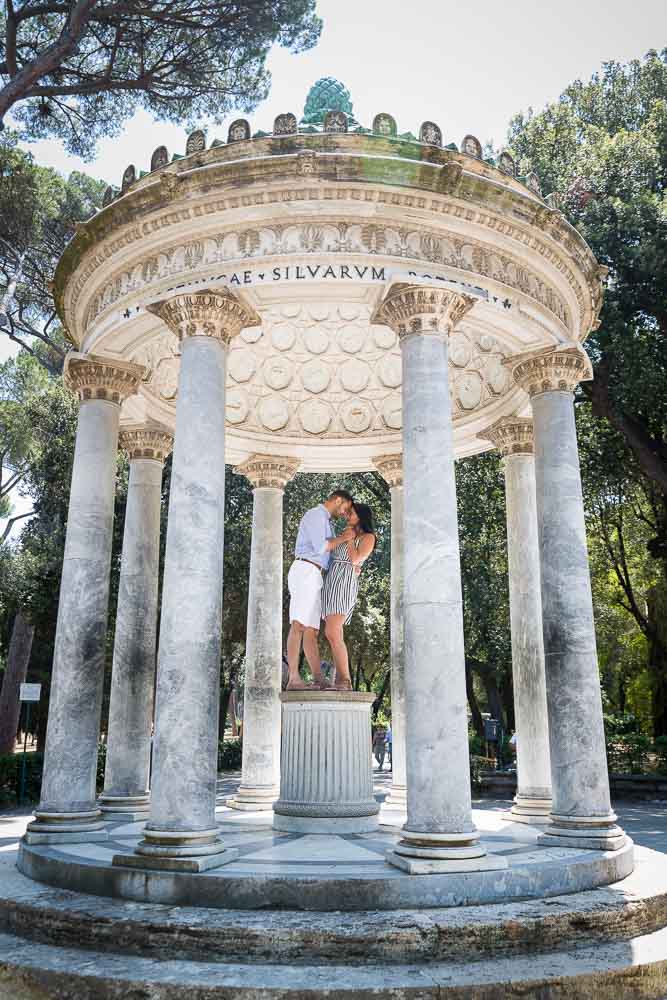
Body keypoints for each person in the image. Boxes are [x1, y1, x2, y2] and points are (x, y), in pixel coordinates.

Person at [286, 490, 354, 690]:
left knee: (312, 630)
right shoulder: (315, 515)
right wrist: (343, 538)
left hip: (316, 575)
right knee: (298, 624)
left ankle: (318, 678)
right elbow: (321, 547)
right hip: (305, 569)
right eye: (346, 508)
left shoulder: (327, 522)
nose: (345, 513)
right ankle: (293, 679)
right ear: (338, 500)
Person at [322, 501, 376, 691]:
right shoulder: (346, 532)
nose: (347, 516)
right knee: (332, 632)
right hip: (331, 579)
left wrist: (350, 538)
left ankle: (345, 680)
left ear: (360, 516)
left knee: (333, 631)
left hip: (344, 582)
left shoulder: (368, 537)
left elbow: (355, 559)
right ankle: (340, 679)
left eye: (351, 513)